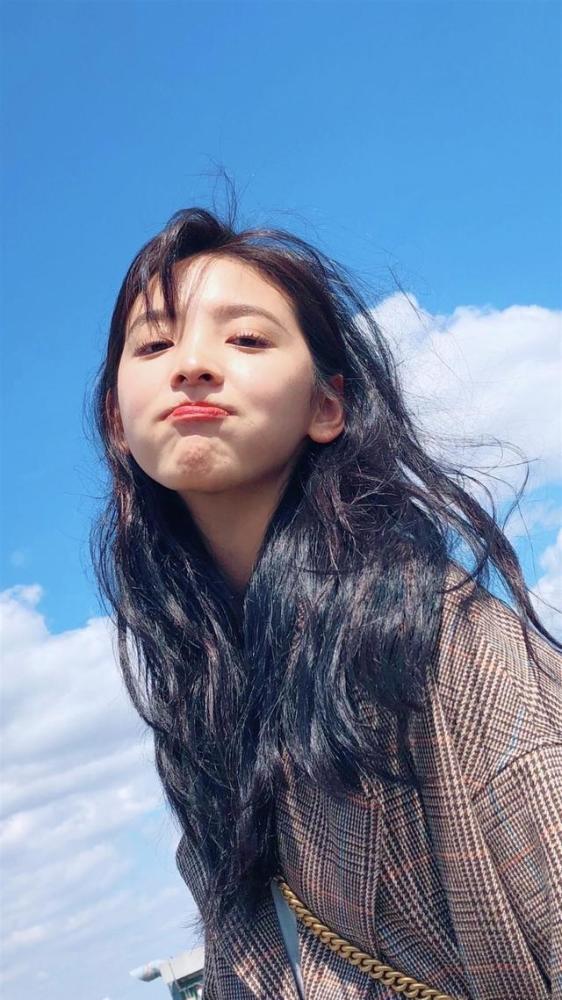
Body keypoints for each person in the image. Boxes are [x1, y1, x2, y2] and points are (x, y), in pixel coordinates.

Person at [89, 202, 562, 1000]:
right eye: (155, 344)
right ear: (117, 420)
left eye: (246, 339)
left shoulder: (445, 646)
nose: (192, 365)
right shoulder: (202, 704)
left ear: (326, 406)